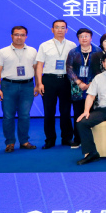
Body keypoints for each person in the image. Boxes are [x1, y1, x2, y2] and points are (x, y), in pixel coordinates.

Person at [0, 25, 38, 152]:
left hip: (27, 86)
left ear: (26, 36)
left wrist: (38, 85)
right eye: (16, 34)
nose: (19, 37)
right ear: (11, 36)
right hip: (8, 86)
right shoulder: (2, 52)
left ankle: (24, 141)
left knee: (25, 115)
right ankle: (10, 143)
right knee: (8, 116)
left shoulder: (33, 51)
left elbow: (36, 70)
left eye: (22, 35)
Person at [35, 19, 76, 149]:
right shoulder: (44, 45)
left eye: (63, 27)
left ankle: (67, 138)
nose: (60, 30)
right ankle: (50, 139)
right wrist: (39, 83)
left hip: (66, 80)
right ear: (52, 29)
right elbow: (39, 65)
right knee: (49, 111)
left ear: (67, 30)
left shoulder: (72, 45)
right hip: (49, 80)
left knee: (66, 111)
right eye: (57, 27)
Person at [66, 28, 102, 148]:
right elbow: (69, 68)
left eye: (86, 36)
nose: (84, 38)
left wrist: (91, 83)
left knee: (93, 113)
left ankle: (93, 138)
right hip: (77, 88)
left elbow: (100, 69)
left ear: (91, 38)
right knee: (78, 113)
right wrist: (78, 82)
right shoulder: (73, 52)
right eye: (81, 36)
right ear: (78, 39)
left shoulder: (98, 51)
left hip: (94, 86)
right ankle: (77, 138)